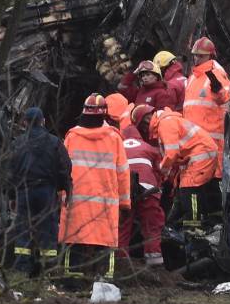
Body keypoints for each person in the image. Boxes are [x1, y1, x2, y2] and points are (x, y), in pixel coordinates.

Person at [59, 94, 131, 279]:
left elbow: (62, 169)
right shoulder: (114, 139)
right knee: (105, 242)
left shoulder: (72, 136)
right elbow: (122, 173)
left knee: (74, 240)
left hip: (76, 200)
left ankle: (71, 279)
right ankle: (106, 279)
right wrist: (125, 203)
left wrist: (61, 195)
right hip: (105, 202)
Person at [9, 107, 72, 274]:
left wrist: (11, 194)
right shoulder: (54, 142)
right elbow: (65, 167)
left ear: (25, 123)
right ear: (43, 121)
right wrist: (66, 189)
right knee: (48, 230)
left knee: (23, 229)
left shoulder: (18, 142)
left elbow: (10, 169)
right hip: (47, 192)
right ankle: (47, 270)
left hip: (24, 192)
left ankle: (22, 270)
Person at [147, 107, 220, 231]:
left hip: (200, 155)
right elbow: (176, 156)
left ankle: (193, 227)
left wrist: (160, 173)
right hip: (200, 155)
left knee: (189, 188)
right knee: (183, 191)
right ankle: (176, 225)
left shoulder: (165, 123)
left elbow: (171, 154)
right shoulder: (169, 121)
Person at [115, 104, 165, 267]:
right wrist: (159, 188)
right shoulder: (148, 147)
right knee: (151, 225)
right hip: (148, 188)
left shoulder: (118, 147)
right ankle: (154, 262)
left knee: (123, 226)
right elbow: (159, 171)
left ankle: (121, 262)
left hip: (125, 190)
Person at [183, 37, 230, 181]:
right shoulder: (193, 77)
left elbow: (224, 97)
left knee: (209, 183)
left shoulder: (216, 73)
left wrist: (218, 90)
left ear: (210, 55)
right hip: (194, 140)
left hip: (209, 140)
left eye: (201, 55)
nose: (197, 58)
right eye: (195, 55)